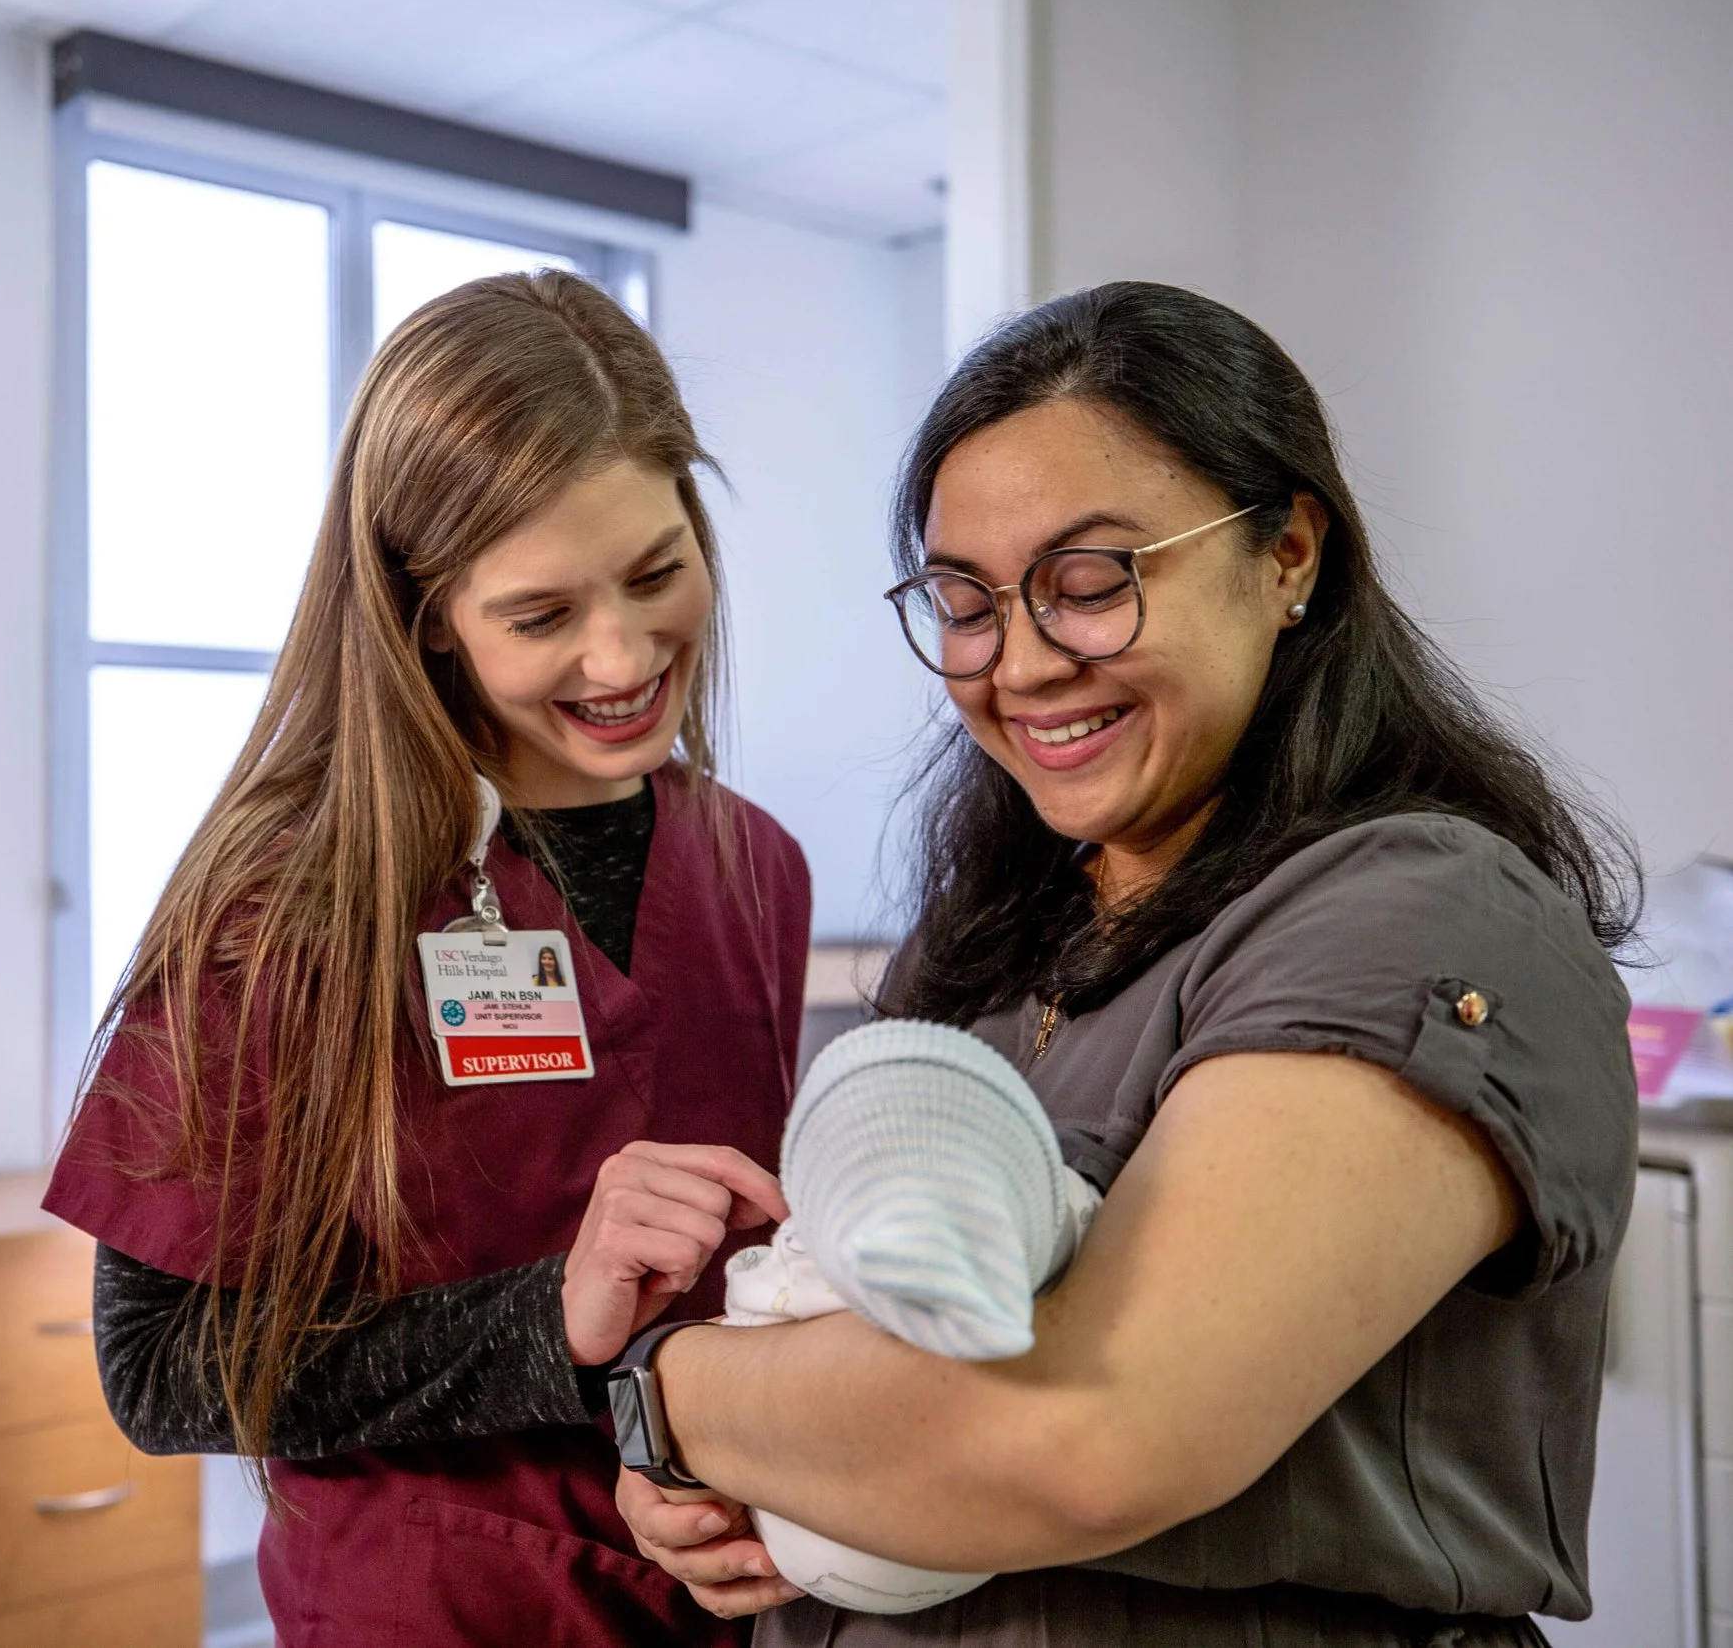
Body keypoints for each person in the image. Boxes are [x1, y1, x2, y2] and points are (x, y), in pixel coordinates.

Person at [610, 280, 1640, 1647]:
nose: (1021, 664)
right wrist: (735, 1462)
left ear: (1288, 555)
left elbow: (1089, 1438)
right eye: (965, 601)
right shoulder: (991, 938)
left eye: (1090, 584)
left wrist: (670, 1390)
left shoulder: (1419, 916)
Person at [45, 272, 811, 1646]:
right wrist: (542, 1327)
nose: (623, 654)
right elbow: (156, 1367)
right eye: (541, 615)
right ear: (424, 612)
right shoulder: (282, 904)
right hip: (444, 1609)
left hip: (725, 1597)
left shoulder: (756, 866)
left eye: (656, 572)